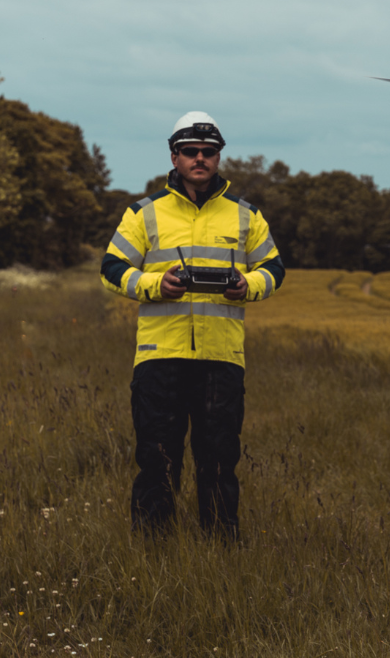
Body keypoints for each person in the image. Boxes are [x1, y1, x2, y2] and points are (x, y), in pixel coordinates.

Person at [100, 111, 285, 538]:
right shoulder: (144, 213)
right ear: (174, 155)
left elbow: (273, 268)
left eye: (208, 152)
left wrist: (248, 286)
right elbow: (111, 268)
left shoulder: (246, 216)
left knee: (219, 457)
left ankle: (221, 550)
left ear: (219, 157)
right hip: (159, 356)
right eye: (190, 152)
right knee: (156, 457)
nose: (199, 158)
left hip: (221, 357)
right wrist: (154, 284)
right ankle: (152, 549)